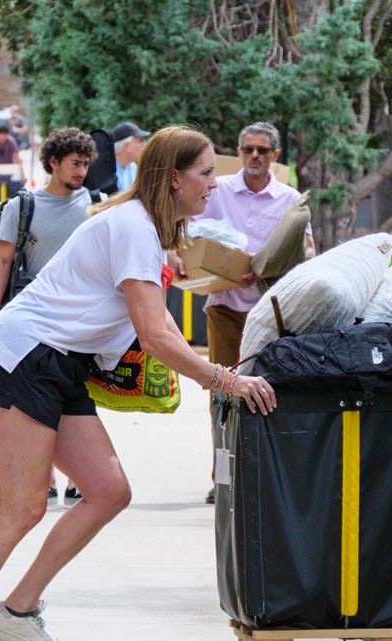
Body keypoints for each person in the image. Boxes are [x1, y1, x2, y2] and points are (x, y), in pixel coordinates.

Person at [0, 126, 277, 641]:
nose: (213, 184)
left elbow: (159, 322)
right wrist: (223, 379)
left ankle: (17, 611)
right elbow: (155, 335)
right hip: (24, 356)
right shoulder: (135, 228)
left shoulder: (147, 231)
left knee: (107, 492)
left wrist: (230, 369)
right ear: (173, 178)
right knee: (22, 509)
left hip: (59, 362)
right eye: (206, 173)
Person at [166, 121, 313, 504]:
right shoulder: (218, 190)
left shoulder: (289, 200)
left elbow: (308, 249)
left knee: (273, 395)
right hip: (225, 310)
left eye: (262, 151)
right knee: (222, 395)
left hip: (273, 315)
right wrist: (179, 254)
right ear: (240, 151)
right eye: (247, 149)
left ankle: (266, 476)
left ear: (275, 156)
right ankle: (224, 479)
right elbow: (182, 226)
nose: (254, 157)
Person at [0, 127, 98, 506]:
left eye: (85, 164)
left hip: (81, 318)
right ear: (53, 162)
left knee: (79, 393)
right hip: (34, 319)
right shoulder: (24, 206)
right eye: (75, 163)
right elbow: (2, 260)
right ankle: (46, 476)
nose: (82, 171)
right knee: (39, 399)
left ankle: (75, 476)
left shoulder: (97, 204)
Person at [110, 122, 150, 191]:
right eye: (140, 141)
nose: (145, 144)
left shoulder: (132, 166)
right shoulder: (108, 172)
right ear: (127, 146)